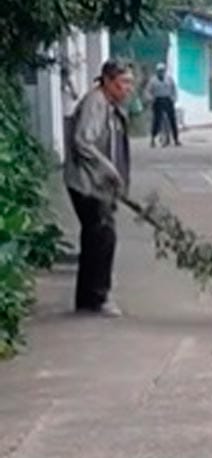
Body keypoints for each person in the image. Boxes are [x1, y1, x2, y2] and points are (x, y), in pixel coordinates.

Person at [63, 59, 134, 317]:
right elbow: (83, 142)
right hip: (86, 184)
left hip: (95, 184)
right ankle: (98, 297)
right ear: (107, 80)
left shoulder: (109, 105)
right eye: (123, 82)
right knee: (103, 237)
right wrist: (109, 171)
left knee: (95, 238)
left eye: (129, 83)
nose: (128, 88)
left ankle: (87, 299)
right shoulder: (96, 103)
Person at [145, 62, 180, 147]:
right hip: (158, 100)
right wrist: (151, 98)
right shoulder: (153, 80)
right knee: (156, 120)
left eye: (162, 70)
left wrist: (174, 98)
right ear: (157, 71)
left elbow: (174, 89)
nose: (161, 72)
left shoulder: (169, 79)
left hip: (168, 100)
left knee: (172, 120)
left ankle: (176, 139)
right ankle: (153, 139)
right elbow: (147, 91)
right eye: (159, 71)